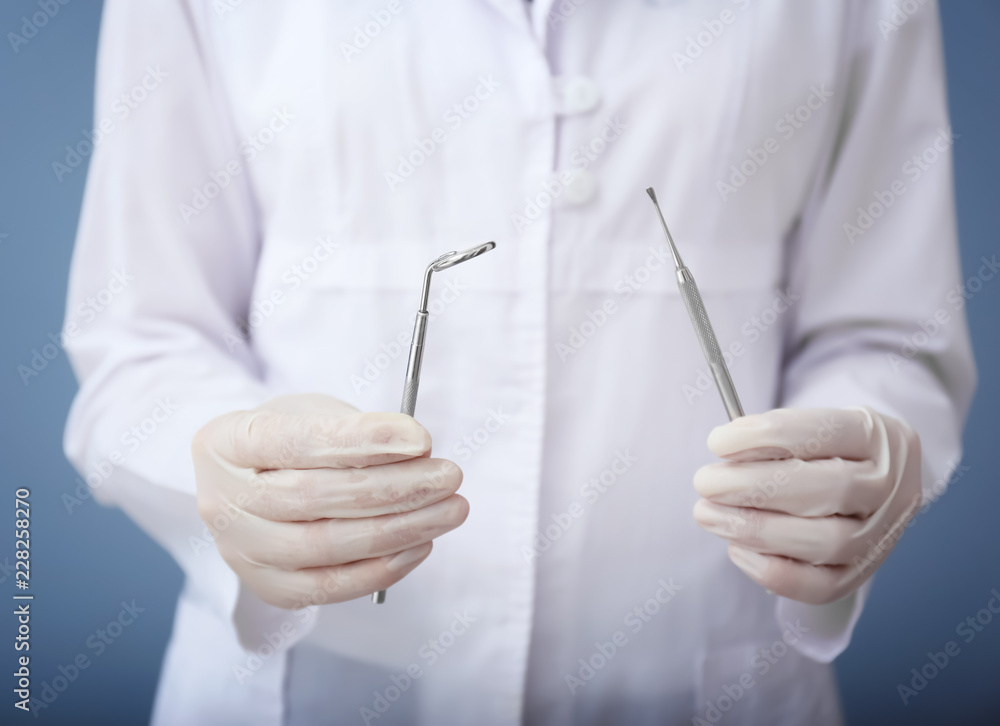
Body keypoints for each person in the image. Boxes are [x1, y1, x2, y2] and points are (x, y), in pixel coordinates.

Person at [64, 1, 974, 724]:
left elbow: (888, 334)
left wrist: (861, 456)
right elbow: (138, 344)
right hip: (303, 690)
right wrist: (231, 474)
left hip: (711, 681)